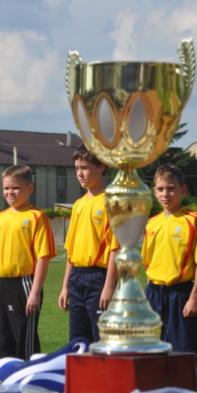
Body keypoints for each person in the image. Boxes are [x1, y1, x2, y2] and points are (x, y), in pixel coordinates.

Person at [142, 164, 197, 370]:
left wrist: (194, 298)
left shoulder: (193, 220)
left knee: (189, 355)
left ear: (183, 190)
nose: (166, 194)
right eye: (161, 189)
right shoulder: (151, 223)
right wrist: (147, 297)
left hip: (181, 295)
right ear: (154, 192)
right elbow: (149, 263)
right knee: (154, 353)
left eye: (171, 188)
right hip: (154, 295)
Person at [0, 165, 57, 360]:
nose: (10, 192)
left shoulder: (36, 217)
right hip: (0, 285)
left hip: (24, 284)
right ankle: (8, 381)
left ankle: (30, 381)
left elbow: (43, 257)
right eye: (6, 188)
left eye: (15, 188)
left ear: (30, 189)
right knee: (3, 338)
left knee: (25, 339)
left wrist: (34, 293)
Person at [58, 145, 118, 343]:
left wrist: (108, 286)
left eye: (84, 167)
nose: (79, 173)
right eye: (76, 168)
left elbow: (116, 249)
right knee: (77, 340)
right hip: (77, 277)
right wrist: (65, 286)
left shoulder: (113, 202)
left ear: (101, 166)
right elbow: (71, 250)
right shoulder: (78, 205)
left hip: (98, 278)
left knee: (102, 339)